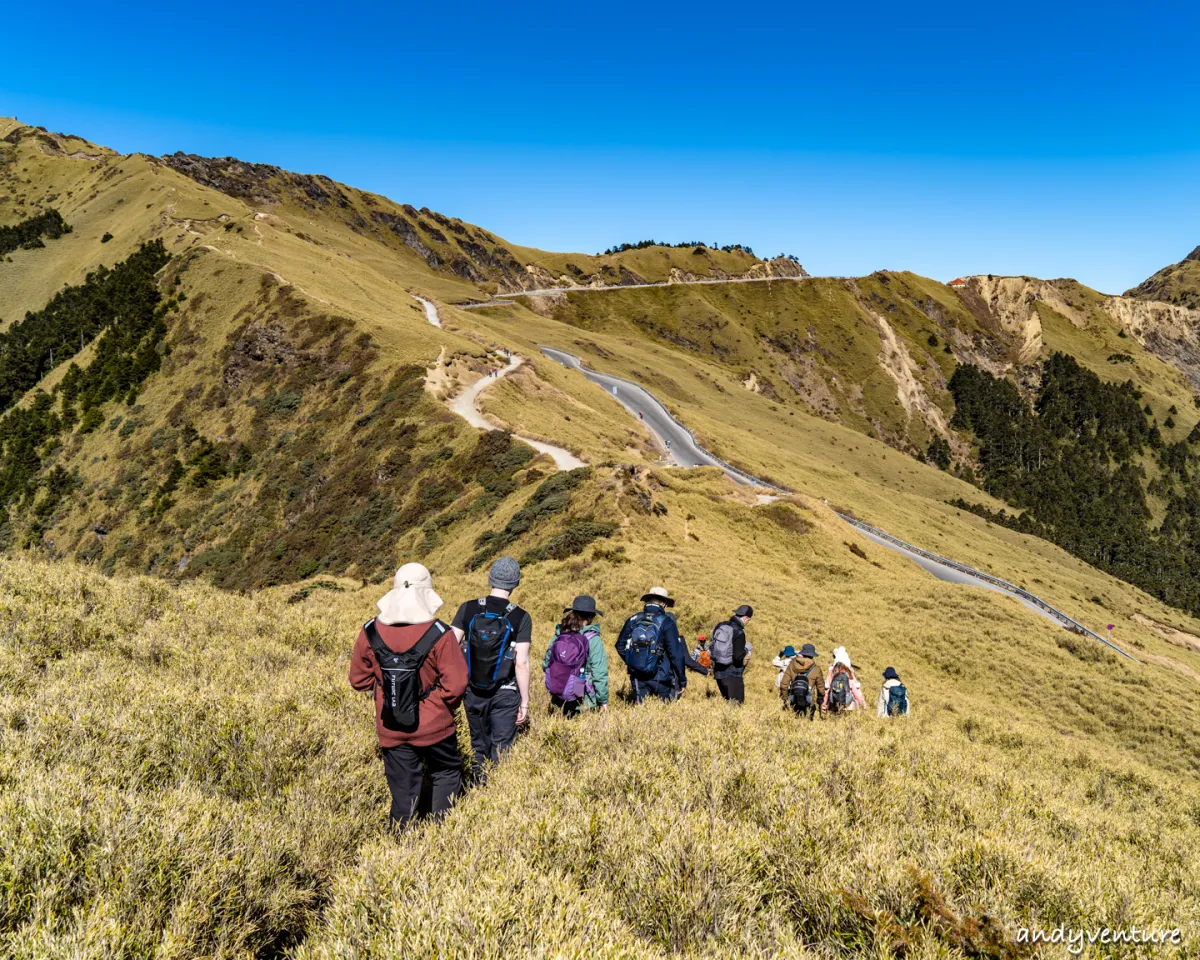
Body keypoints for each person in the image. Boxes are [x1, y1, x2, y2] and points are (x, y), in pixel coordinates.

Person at [348, 563, 468, 829]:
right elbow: (457, 685)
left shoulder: (370, 631)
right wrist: (436, 705)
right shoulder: (440, 633)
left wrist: (387, 692)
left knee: (403, 792)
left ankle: (401, 846)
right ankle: (444, 836)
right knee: (446, 774)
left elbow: (358, 680)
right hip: (436, 727)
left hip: (391, 726)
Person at [451, 556, 532, 783]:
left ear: (490, 579)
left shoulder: (467, 608)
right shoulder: (521, 616)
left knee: (479, 746)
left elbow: (448, 645)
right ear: (515, 584)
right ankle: (497, 794)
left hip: (473, 690)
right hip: (505, 692)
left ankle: (477, 790)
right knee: (502, 748)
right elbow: (521, 663)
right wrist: (524, 701)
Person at [616, 586, 688, 703]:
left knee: (640, 712)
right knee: (663, 713)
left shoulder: (634, 619)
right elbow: (676, 654)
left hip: (637, 676)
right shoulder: (667, 622)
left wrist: (634, 661)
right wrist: (682, 680)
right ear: (663, 603)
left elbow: (620, 645)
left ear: (647, 601)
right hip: (662, 677)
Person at [543, 595, 609, 716]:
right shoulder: (593, 639)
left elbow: (546, 663)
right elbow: (599, 672)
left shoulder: (560, 633)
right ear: (591, 616)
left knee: (560, 724)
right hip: (583, 697)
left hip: (559, 693)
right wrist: (603, 700)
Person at [709, 604, 754, 704]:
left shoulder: (720, 625)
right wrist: (747, 649)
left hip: (719, 673)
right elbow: (738, 657)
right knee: (736, 706)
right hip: (733, 674)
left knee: (727, 704)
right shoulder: (739, 632)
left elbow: (711, 645)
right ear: (746, 618)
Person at [779, 642, 824, 718]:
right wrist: (820, 699)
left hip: (793, 699)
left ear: (802, 653)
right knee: (807, 722)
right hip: (809, 701)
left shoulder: (791, 665)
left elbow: (784, 684)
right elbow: (821, 688)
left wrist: (786, 698)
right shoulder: (816, 669)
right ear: (812, 655)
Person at [823, 646, 868, 714]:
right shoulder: (849, 673)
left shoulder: (832, 672)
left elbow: (826, 690)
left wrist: (824, 706)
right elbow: (857, 692)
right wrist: (863, 705)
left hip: (833, 706)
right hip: (848, 706)